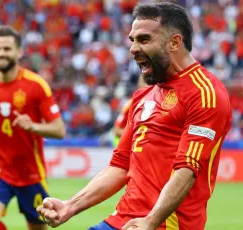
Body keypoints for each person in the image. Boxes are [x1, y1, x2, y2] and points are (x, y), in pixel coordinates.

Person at [37, 2, 232, 230]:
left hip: (163, 225)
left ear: (175, 42)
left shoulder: (204, 93)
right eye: (132, 40)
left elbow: (186, 171)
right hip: (122, 221)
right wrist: (70, 205)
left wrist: (151, 220)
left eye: (144, 39)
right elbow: (120, 166)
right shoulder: (143, 97)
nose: (133, 48)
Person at [0, 25, 65, 230]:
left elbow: (59, 129)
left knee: (37, 226)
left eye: (7, 49)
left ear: (19, 52)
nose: (1, 53)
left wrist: (33, 127)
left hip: (30, 171)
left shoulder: (36, 85)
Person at [113, 75, 147, 139]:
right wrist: (139, 134)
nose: (149, 85)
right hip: (129, 146)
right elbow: (116, 130)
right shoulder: (132, 102)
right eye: (145, 82)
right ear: (139, 84)